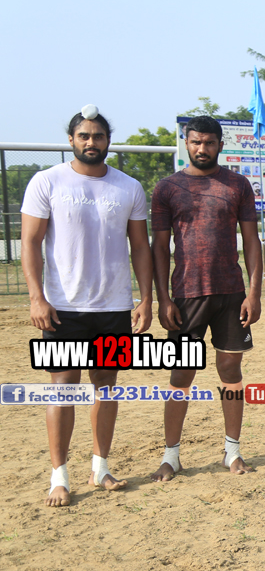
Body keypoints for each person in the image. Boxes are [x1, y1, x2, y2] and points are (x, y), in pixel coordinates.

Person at [20, 108, 154, 506]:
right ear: (71, 140)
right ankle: (58, 477)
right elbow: (30, 243)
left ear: (108, 140)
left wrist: (145, 298)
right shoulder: (47, 181)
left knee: (106, 386)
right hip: (62, 307)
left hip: (113, 307)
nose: (91, 142)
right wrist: (36, 297)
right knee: (62, 388)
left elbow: (140, 247)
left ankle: (100, 467)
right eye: (84, 136)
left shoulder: (129, 186)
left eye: (98, 136)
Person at [149, 115, 263, 481]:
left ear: (220, 145)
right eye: (196, 142)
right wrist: (163, 299)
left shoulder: (237, 184)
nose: (202, 148)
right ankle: (171, 456)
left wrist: (254, 293)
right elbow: (159, 247)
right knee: (181, 373)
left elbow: (251, 241)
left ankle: (233, 451)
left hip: (231, 293)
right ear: (186, 142)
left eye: (209, 142)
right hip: (186, 295)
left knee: (230, 370)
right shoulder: (167, 188)